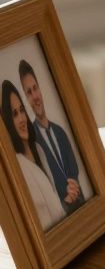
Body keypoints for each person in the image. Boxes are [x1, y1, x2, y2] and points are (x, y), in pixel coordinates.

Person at [19, 59, 85, 214]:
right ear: (25, 100)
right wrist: (65, 200)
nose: (35, 96)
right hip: (59, 215)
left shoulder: (61, 132)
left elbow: (74, 172)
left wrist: (74, 187)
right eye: (29, 92)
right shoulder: (32, 144)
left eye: (35, 88)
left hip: (81, 206)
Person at [3, 80, 67, 230]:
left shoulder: (38, 149)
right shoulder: (18, 165)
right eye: (14, 114)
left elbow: (55, 205)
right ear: (8, 122)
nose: (22, 119)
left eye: (22, 110)